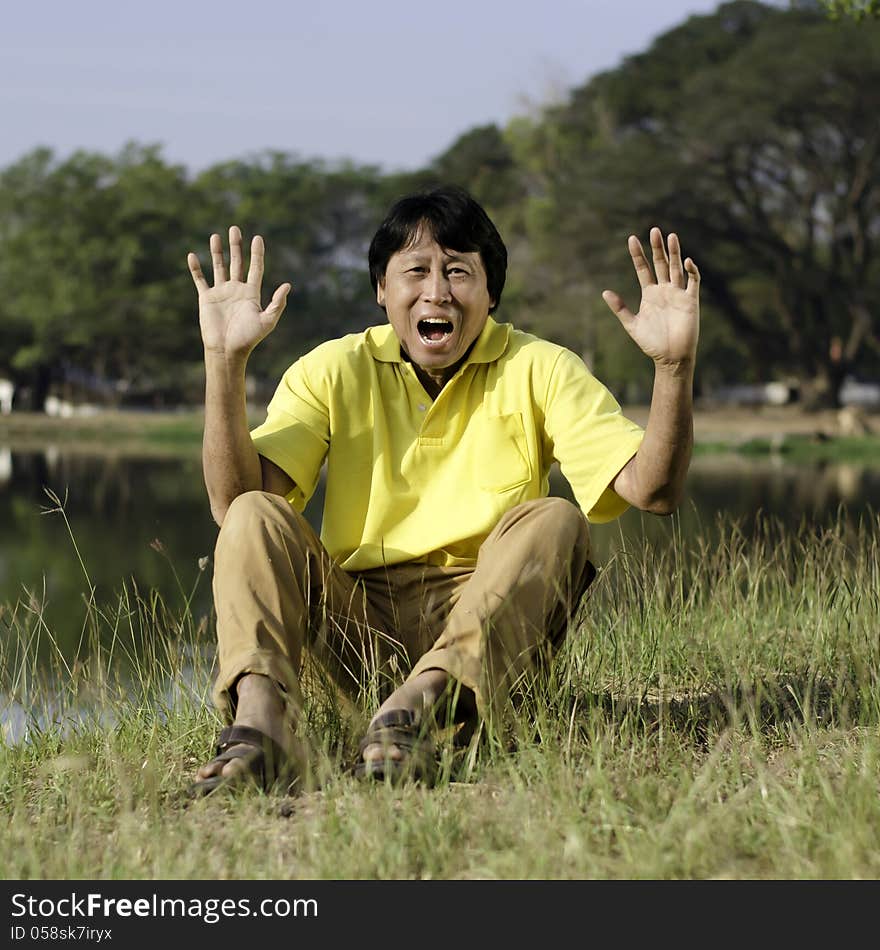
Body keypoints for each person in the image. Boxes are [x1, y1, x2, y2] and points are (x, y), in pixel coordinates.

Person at [187, 185, 700, 795]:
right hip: (359, 629)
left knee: (557, 518)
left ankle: (421, 707)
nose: (437, 291)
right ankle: (263, 730)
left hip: (485, 628)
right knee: (254, 513)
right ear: (382, 289)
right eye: (416, 271)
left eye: (459, 272)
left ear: (490, 295)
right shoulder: (333, 367)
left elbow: (653, 491)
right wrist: (224, 362)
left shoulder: (541, 366)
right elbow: (232, 502)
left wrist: (673, 369)